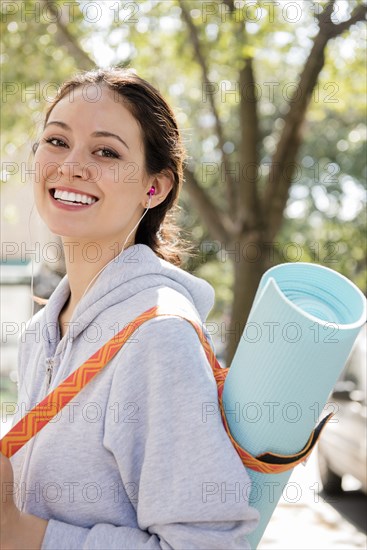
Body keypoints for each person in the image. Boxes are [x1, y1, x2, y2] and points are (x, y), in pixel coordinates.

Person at [0, 68, 259, 549]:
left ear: (154, 188)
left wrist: (25, 535)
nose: (71, 166)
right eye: (57, 141)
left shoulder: (159, 336)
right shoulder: (42, 331)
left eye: (106, 151)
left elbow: (208, 544)